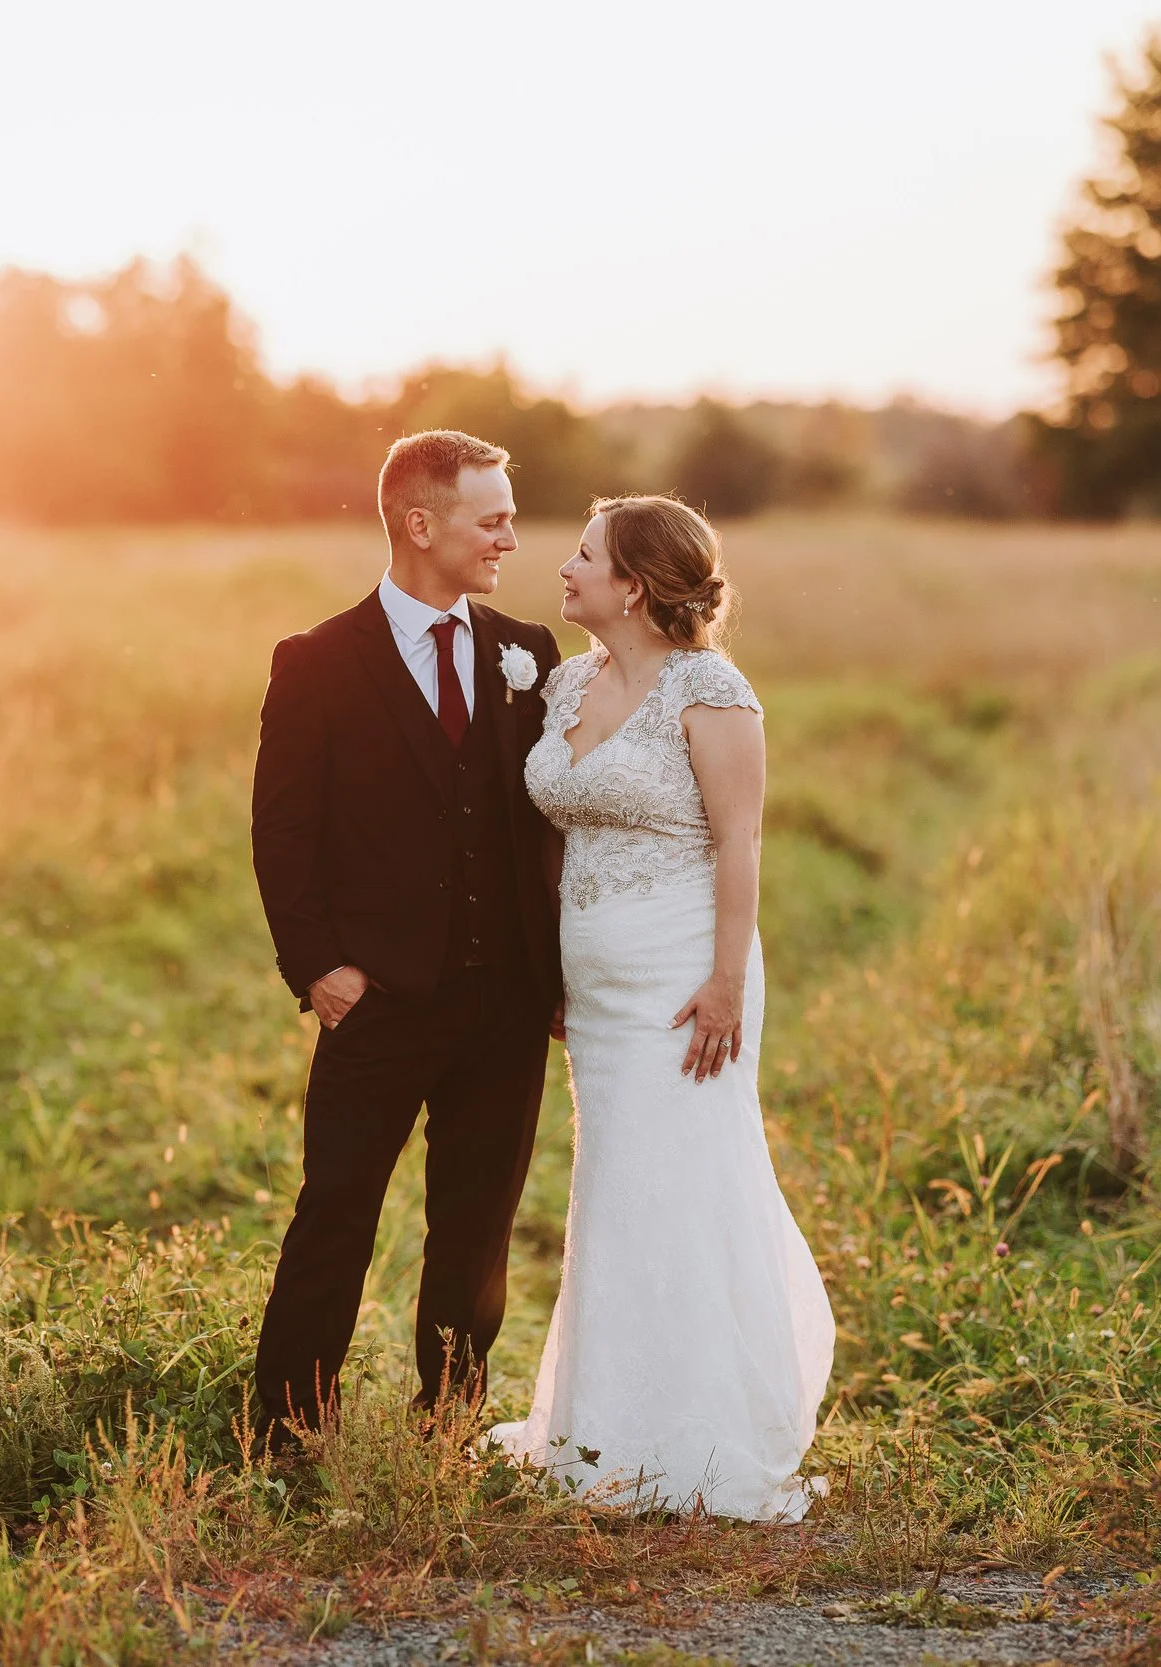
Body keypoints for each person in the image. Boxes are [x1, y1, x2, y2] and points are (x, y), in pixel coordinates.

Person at [488, 495, 834, 1521]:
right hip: (593, 985)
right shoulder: (565, 683)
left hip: (688, 974)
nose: (563, 568)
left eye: (583, 556)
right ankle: (602, 1426)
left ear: (632, 585)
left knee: (681, 1177)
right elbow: (556, 828)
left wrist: (726, 980)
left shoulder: (710, 688)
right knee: (613, 1184)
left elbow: (740, 842)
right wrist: (550, 969)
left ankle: (698, 1438)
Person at [248, 430, 563, 1442]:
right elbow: (282, 830)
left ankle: (450, 1426)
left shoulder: (527, 652)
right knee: (335, 1212)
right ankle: (290, 1430)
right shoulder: (317, 661)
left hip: (503, 999)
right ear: (420, 523)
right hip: (374, 996)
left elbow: (540, 824)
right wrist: (319, 968)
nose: (510, 536)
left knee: (474, 1229)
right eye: (492, 516)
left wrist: (552, 970)